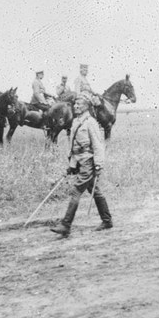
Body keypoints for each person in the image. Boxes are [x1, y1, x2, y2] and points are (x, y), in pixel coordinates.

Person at [50, 95, 113, 237]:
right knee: (95, 191)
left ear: (86, 107)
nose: (76, 106)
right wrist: (72, 165)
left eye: (79, 104)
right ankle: (107, 220)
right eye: (75, 104)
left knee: (76, 190)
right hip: (79, 161)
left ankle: (65, 225)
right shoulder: (75, 122)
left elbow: (98, 145)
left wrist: (98, 165)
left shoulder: (91, 122)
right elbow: (73, 146)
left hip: (88, 162)